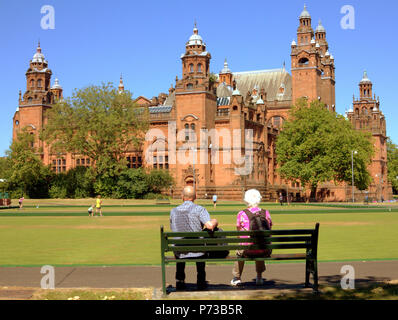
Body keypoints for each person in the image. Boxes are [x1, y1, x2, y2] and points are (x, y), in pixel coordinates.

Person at [170, 186, 218, 290]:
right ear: (195, 196)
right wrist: (215, 221)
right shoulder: (200, 209)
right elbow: (209, 226)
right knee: (200, 245)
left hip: (180, 249)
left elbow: (174, 228)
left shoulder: (173, 211)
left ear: (182, 197)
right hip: (198, 250)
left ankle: (180, 281)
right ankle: (201, 282)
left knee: (180, 244)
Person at [231, 189, 272, 287]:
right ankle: (259, 276)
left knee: (241, 247)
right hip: (264, 250)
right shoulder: (266, 213)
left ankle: (237, 278)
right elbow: (269, 229)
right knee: (260, 244)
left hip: (247, 250)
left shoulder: (241, 213)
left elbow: (238, 230)